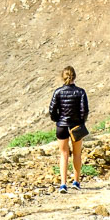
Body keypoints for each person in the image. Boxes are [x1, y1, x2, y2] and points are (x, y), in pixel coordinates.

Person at [48, 65, 89, 193]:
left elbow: (52, 110)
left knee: (63, 154)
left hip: (62, 126)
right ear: (74, 77)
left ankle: (63, 184)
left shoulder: (58, 92)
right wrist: (81, 122)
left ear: (63, 77)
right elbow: (85, 110)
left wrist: (58, 120)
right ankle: (76, 181)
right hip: (76, 126)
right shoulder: (81, 92)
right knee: (77, 154)